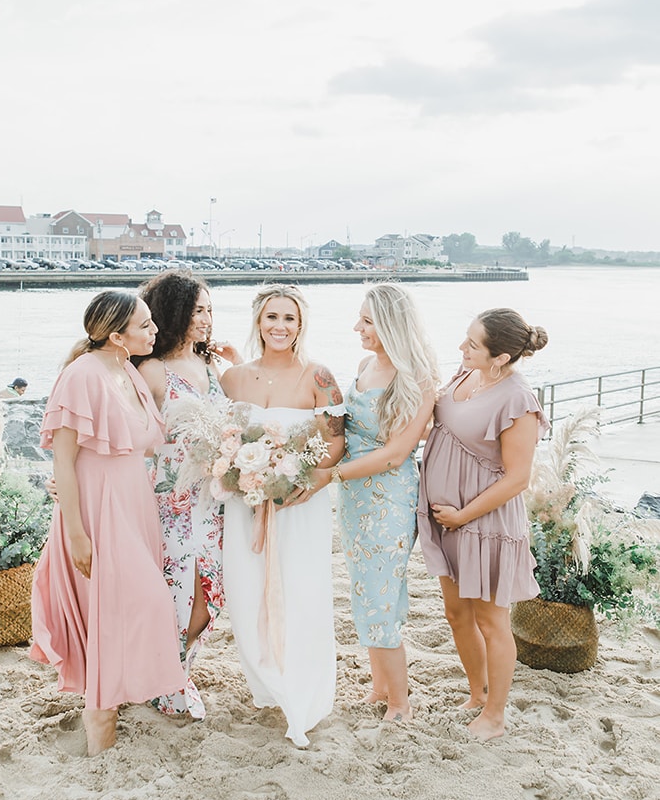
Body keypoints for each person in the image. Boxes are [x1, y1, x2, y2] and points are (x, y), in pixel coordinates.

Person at [30, 290, 184, 756]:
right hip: (97, 510)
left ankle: (109, 707)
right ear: (117, 335)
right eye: (144, 326)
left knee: (122, 613)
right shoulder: (81, 376)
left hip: (133, 506)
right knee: (138, 605)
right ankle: (99, 725)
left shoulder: (128, 373)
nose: (154, 331)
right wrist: (76, 532)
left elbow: (148, 445)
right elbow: (64, 460)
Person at [295, 283, 439, 722]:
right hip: (355, 497)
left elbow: (397, 453)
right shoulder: (365, 364)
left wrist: (330, 474)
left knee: (379, 595)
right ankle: (380, 689)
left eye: (368, 321)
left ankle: (401, 703)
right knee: (364, 590)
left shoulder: (418, 379)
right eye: (360, 318)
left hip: (388, 498)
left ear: (392, 326)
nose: (357, 327)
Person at [220, 284, 345, 747]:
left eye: (289, 319)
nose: (280, 326)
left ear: (301, 325)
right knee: (246, 587)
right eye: (271, 317)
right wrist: (244, 475)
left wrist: (303, 480)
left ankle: (303, 687)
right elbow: (224, 435)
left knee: (302, 589)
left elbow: (335, 442)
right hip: (245, 504)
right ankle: (266, 680)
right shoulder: (233, 378)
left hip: (299, 504)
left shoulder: (320, 377)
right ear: (258, 322)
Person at [417, 307, 550, 742]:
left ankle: (495, 715)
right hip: (447, 519)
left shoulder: (518, 399)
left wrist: (463, 514)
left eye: (473, 344)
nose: (462, 348)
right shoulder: (465, 373)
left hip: (485, 523)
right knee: (456, 614)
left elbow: (517, 478)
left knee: (492, 620)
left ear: (502, 357)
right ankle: (477, 694)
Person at [136, 270, 240, 720]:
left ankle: (175, 670)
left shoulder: (211, 364)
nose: (207, 319)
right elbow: (134, 441)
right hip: (168, 503)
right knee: (177, 592)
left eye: (211, 310)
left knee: (212, 591)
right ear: (175, 312)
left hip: (214, 501)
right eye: (198, 310)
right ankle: (170, 677)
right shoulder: (151, 370)